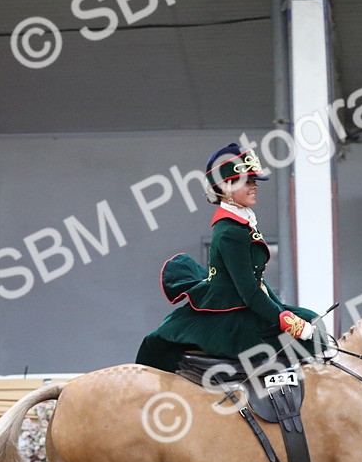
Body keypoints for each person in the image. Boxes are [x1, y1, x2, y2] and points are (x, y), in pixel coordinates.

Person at [135, 143, 324, 373]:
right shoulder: (230, 232)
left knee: (312, 320)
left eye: (254, 181)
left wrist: (282, 310)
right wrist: (288, 322)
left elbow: (259, 283)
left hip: (245, 306)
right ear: (225, 188)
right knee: (307, 337)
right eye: (247, 181)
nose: (254, 187)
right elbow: (250, 292)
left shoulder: (242, 222)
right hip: (232, 317)